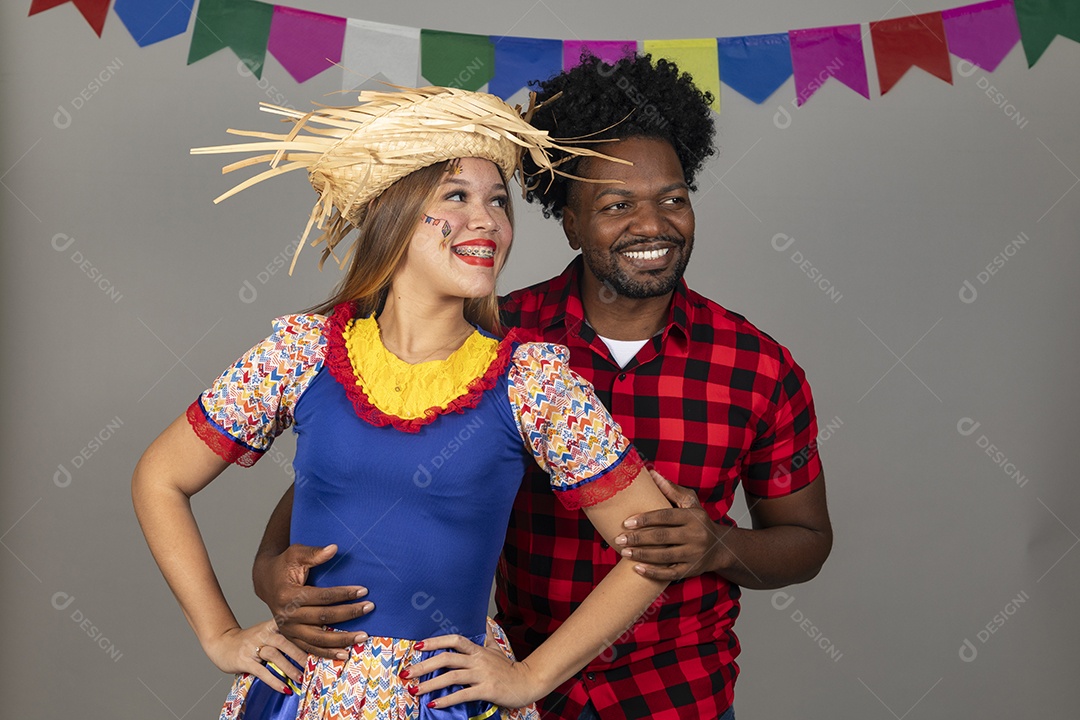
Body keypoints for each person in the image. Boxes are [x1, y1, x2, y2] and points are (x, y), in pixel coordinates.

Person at [254, 55, 833, 720]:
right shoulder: (500, 345)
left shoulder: (756, 365)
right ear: (571, 221)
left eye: (673, 199)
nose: (653, 225)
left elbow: (806, 541)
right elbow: (349, 474)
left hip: (677, 696)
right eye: (618, 205)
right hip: (502, 685)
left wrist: (718, 546)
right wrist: (271, 568)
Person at [131, 85, 681, 720]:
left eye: (498, 202)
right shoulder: (305, 353)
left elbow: (653, 549)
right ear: (394, 213)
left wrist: (530, 677)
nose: (488, 221)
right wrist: (220, 634)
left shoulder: (530, 380)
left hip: (443, 700)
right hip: (306, 696)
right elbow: (159, 478)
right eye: (457, 196)